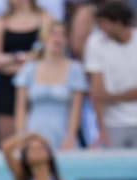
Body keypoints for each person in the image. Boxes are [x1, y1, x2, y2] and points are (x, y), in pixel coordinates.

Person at [13, 21, 87, 150]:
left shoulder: (75, 69)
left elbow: (75, 109)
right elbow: (21, 108)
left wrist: (70, 136)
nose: (57, 38)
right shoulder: (29, 69)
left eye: (62, 34)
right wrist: (21, 135)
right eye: (53, 34)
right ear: (43, 38)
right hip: (34, 132)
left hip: (62, 132)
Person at [0, 0, 50, 144]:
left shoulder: (45, 19)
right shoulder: (0, 22)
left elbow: (46, 55)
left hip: (37, 86)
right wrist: (20, 58)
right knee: (9, 143)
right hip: (7, 86)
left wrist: (11, 63)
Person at [84, 0, 137, 148]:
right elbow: (97, 93)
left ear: (118, 23)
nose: (99, 27)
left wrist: (113, 97)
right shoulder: (95, 42)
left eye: (103, 22)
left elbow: (104, 96)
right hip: (112, 124)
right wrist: (101, 129)